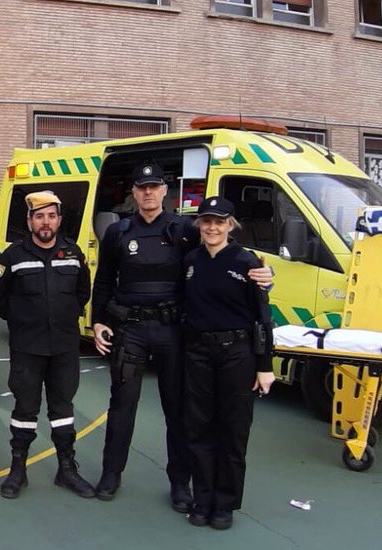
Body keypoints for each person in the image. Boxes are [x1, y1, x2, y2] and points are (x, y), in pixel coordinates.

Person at [90, 162, 272, 508]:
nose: (148, 192)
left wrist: (264, 273)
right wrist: (98, 321)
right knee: (122, 406)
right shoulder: (118, 231)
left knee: (178, 411)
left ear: (164, 192)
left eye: (154, 186)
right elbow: (104, 281)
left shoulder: (185, 228)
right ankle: (111, 474)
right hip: (130, 330)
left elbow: (222, 255)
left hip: (173, 331)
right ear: (134, 192)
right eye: (142, 187)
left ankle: (180, 483)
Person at [0, 190, 95, 499]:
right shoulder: (12, 257)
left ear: (59, 220)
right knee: (25, 409)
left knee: (63, 409)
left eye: (51, 216)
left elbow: (82, 293)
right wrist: (21, 319)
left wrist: (64, 317)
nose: (45, 222)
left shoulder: (74, 254)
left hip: (63, 347)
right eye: (39, 216)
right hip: (27, 348)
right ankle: (17, 469)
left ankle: (67, 469)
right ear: (29, 220)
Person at [181, 196, 275, 530]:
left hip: (237, 354)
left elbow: (264, 317)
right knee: (200, 428)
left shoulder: (246, 262)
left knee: (233, 430)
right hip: (199, 354)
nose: (211, 227)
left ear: (230, 225)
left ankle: (224, 504)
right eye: (206, 221)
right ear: (199, 225)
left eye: (219, 222)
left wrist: (265, 365)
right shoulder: (190, 261)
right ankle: (201, 498)